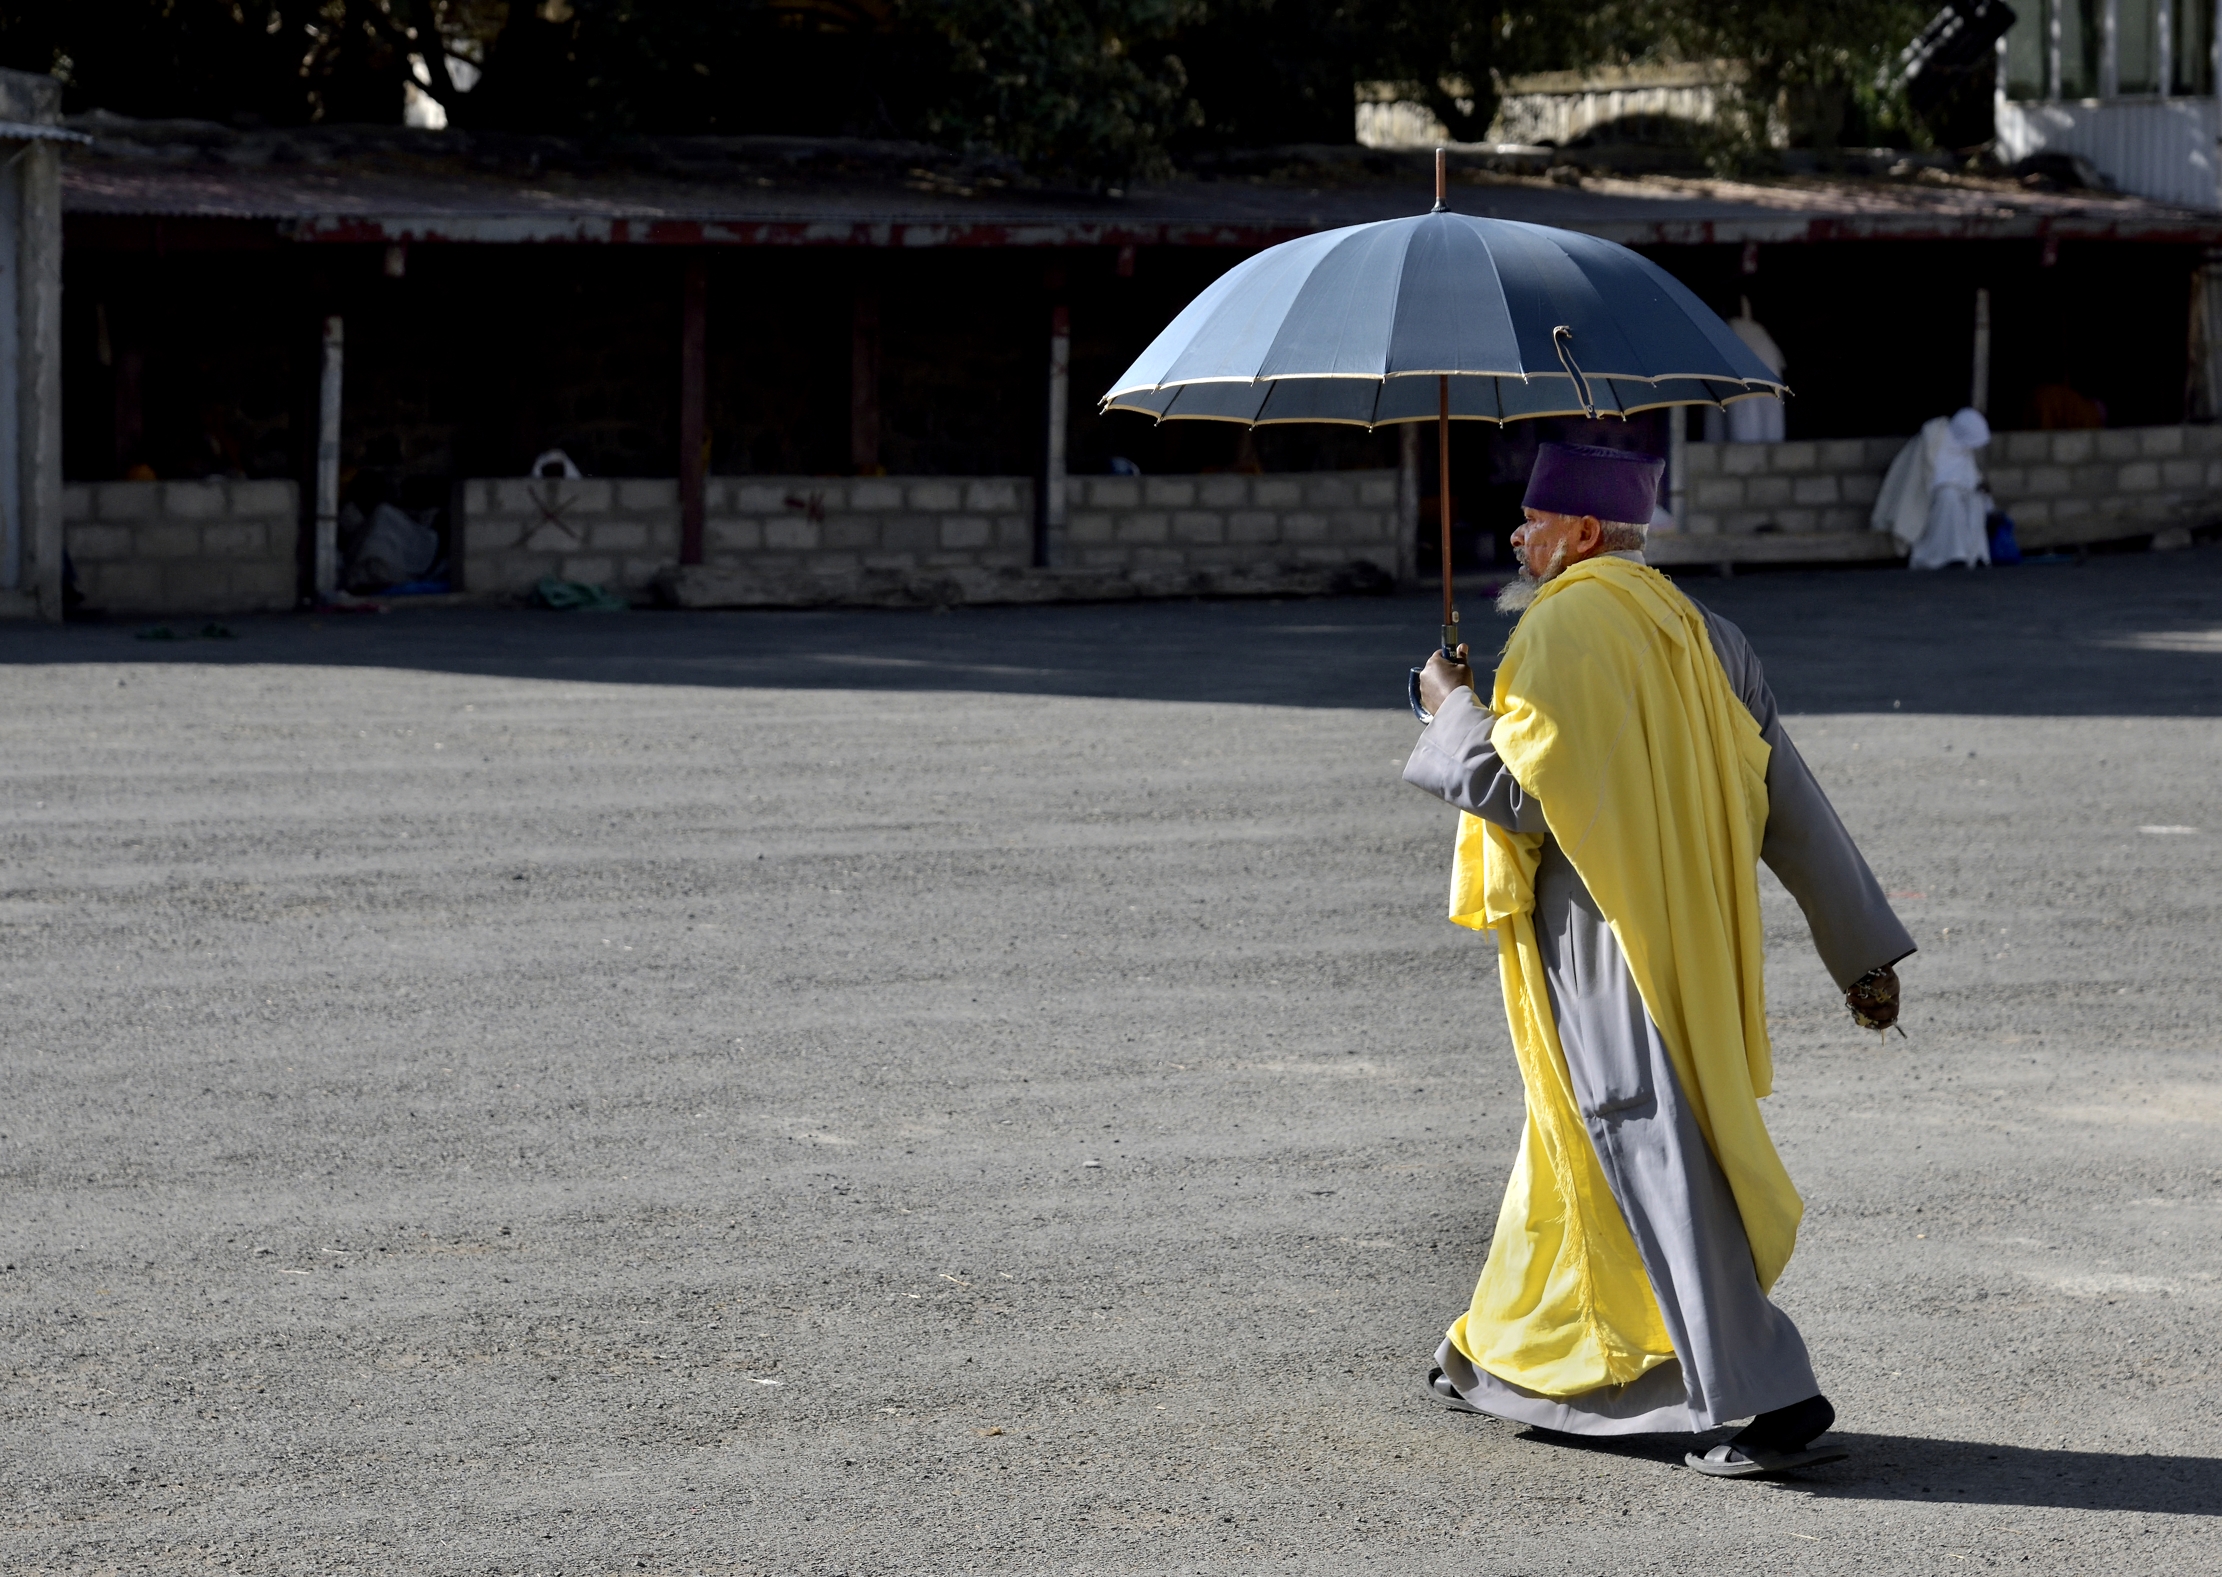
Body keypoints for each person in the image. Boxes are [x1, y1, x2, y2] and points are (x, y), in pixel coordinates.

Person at [1403, 441, 1915, 1477]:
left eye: (1533, 517)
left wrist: (1447, 708)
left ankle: (1756, 1396)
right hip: (1701, 928)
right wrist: (1856, 948)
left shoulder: (1562, 628)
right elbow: (1788, 797)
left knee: (1641, 1136)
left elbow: (1521, 793)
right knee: (1574, 1137)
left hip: (1603, 935)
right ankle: (1491, 1352)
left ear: (1584, 534)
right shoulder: (1706, 632)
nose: (1516, 534)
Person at [1872, 407, 1993, 570]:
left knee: (1976, 500)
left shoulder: (1964, 447)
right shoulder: (1932, 441)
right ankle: (1952, 553)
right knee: (1949, 497)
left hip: (1959, 496)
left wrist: (1977, 487)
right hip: (1932, 500)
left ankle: (1975, 554)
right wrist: (1951, 486)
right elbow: (1923, 480)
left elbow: (1969, 477)